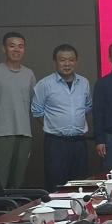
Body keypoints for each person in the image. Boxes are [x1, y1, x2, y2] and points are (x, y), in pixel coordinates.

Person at [0, 31, 36, 188]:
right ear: (4, 49)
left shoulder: (29, 74)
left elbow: (34, 104)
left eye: (20, 46)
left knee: (18, 180)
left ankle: (14, 205)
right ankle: (1, 205)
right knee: (0, 179)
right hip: (1, 134)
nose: (16, 49)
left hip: (24, 134)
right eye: (12, 46)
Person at [30, 43, 92, 190]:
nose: (67, 64)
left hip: (79, 143)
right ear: (55, 62)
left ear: (76, 62)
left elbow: (88, 106)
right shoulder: (44, 84)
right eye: (62, 60)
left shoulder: (84, 83)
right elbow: (37, 112)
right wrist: (54, 126)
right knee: (56, 185)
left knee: (80, 186)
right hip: (56, 143)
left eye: (71, 60)